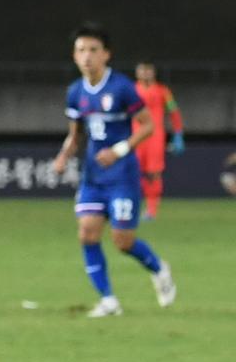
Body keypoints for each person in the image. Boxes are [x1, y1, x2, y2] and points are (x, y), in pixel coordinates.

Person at [53, 24, 177, 318]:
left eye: (94, 50)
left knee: (123, 242)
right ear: (74, 55)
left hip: (122, 176)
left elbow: (148, 125)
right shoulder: (75, 92)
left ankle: (159, 268)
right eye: (81, 50)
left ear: (106, 54)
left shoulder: (122, 88)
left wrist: (120, 149)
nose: (87, 57)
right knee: (87, 234)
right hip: (93, 177)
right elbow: (76, 134)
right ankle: (108, 300)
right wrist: (63, 156)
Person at [133, 62, 185, 219]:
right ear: (137, 73)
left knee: (154, 173)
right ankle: (133, 207)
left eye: (148, 70)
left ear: (153, 73)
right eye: (142, 70)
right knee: (133, 172)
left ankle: (151, 210)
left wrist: (178, 134)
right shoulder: (131, 90)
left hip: (155, 137)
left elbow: (174, 112)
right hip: (135, 137)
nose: (145, 73)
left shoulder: (163, 91)